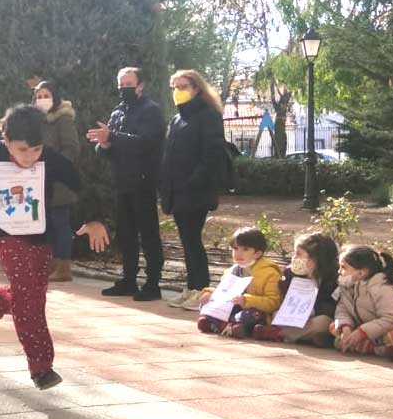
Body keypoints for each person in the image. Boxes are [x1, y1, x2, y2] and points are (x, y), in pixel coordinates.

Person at [0, 106, 110, 390]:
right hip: (6, 236)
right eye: (22, 150)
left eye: (36, 150)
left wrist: (93, 218)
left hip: (41, 234)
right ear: (5, 140)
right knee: (31, 302)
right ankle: (41, 367)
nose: (29, 158)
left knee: (29, 292)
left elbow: (80, 184)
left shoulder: (50, 159)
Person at [88, 67, 165, 301]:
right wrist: (104, 145)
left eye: (129, 84)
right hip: (121, 182)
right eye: (121, 84)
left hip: (143, 181)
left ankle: (153, 284)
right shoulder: (118, 112)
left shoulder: (151, 111)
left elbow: (146, 143)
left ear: (140, 85)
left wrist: (112, 138)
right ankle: (128, 280)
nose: (124, 89)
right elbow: (107, 148)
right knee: (126, 234)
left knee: (148, 234)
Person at [156, 70, 228, 310]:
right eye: (174, 86)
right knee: (187, 241)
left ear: (197, 88)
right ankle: (191, 287)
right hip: (177, 191)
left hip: (195, 191)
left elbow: (212, 153)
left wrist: (193, 181)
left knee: (193, 241)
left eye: (183, 86)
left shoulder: (208, 115)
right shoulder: (177, 119)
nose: (178, 91)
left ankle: (201, 290)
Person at [251, 232, 341, 346]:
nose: (294, 258)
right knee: (275, 315)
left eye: (299, 254)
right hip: (292, 319)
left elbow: (331, 307)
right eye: (294, 253)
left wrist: (311, 310)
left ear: (316, 258)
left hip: (314, 318)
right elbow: (283, 298)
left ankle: (280, 334)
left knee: (323, 323)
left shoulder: (332, 278)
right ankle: (304, 337)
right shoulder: (290, 273)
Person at [194, 228, 282, 338]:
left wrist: (247, 300)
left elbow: (274, 302)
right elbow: (223, 291)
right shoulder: (232, 270)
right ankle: (225, 325)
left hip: (256, 311)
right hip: (233, 307)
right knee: (207, 303)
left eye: (245, 249)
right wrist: (209, 293)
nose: (238, 253)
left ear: (257, 253)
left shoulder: (269, 273)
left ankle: (225, 326)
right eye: (235, 248)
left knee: (249, 314)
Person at [34, 81, 79, 282]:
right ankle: (51, 263)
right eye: (39, 96)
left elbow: (71, 148)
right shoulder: (35, 120)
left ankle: (63, 267)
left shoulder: (63, 119)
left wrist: (55, 167)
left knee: (60, 222)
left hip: (58, 180)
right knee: (46, 224)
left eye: (46, 95)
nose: (43, 100)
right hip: (38, 179)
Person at [331, 246, 393, 355]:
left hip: (383, 330)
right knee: (333, 326)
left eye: (343, 267)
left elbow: (390, 319)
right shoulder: (346, 287)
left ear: (361, 273)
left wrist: (362, 332)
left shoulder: (381, 289)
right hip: (360, 328)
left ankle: (366, 346)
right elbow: (342, 310)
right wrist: (346, 328)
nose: (339, 271)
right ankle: (362, 345)